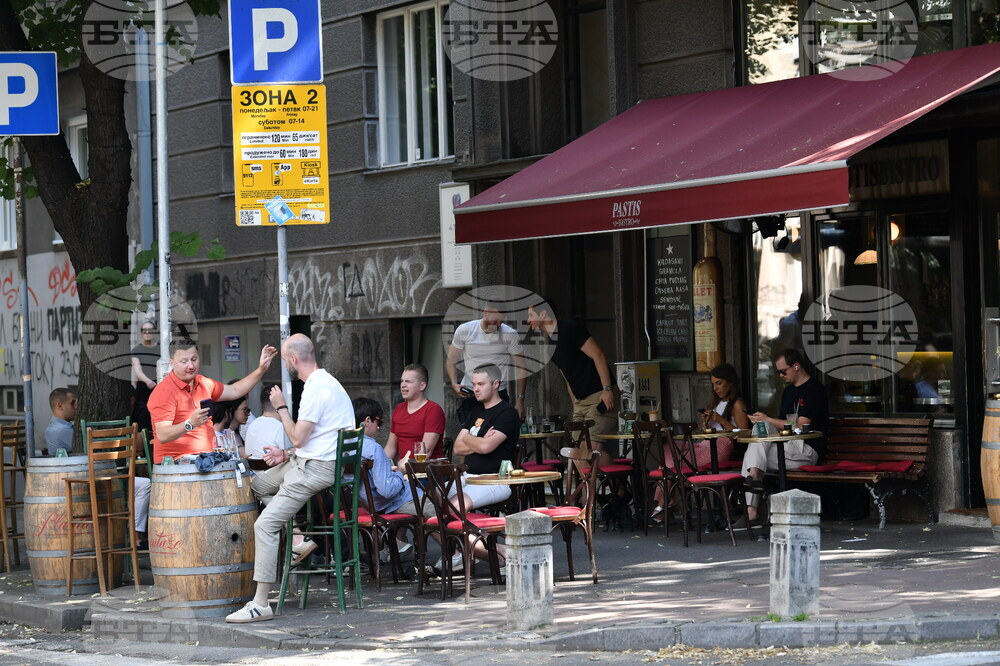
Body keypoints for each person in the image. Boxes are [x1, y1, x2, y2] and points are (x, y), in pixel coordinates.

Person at [226, 334, 354, 624]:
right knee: (258, 485)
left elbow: (297, 436)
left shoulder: (315, 389)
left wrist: (281, 407)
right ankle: (298, 538)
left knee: (265, 524)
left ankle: (260, 604)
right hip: (306, 461)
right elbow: (315, 439)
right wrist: (285, 454)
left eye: (285, 360)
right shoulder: (329, 383)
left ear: (294, 360)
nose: (285, 365)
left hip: (314, 469)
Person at [44, 388, 151, 540]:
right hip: (91, 481)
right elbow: (94, 452)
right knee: (144, 484)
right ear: (60, 406)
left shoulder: (58, 428)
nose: (76, 406)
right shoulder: (62, 430)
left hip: (87, 478)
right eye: (72, 403)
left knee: (139, 479)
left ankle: (133, 533)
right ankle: (136, 535)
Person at [147, 339, 277, 463]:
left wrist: (261, 369)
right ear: (171, 362)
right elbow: (163, 435)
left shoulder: (203, 383)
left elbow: (235, 390)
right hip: (177, 466)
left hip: (207, 460)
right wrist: (190, 423)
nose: (191, 365)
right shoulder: (164, 391)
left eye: (194, 359)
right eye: (184, 361)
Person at [650, 364, 750, 522]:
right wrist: (706, 424)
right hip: (705, 443)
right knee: (668, 448)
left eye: (719, 383)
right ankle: (665, 504)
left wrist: (722, 421)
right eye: (713, 384)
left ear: (730, 383)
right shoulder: (717, 403)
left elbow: (744, 433)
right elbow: (709, 431)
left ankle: (663, 504)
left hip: (721, 446)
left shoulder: (737, 404)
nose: (715, 388)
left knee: (673, 462)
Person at [743, 349, 829, 525]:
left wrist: (768, 419)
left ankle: (751, 509)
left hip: (806, 449)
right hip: (786, 447)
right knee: (760, 430)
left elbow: (801, 426)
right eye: (778, 372)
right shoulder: (788, 392)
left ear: (796, 366)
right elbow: (781, 425)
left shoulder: (814, 390)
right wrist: (763, 421)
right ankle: (754, 479)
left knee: (753, 456)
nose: (781, 376)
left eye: (783, 371)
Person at [526, 300, 617, 457]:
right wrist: (575, 403)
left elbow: (598, 355)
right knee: (576, 452)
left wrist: (607, 389)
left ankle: (612, 474)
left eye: (530, 315)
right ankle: (602, 474)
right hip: (581, 402)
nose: (528, 321)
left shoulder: (570, 328)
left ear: (543, 313)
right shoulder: (550, 347)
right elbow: (566, 376)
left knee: (588, 451)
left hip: (598, 395)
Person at [353, 396, 415, 562]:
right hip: (386, 504)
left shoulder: (346, 444)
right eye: (378, 422)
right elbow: (387, 490)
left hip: (366, 503)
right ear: (368, 421)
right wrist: (400, 472)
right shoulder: (373, 448)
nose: (379, 427)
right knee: (437, 507)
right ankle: (456, 555)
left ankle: (395, 546)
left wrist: (388, 472)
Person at [447, 301, 527, 424]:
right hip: (471, 393)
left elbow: (521, 366)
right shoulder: (465, 330)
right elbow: (451, 360)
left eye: (501, 321)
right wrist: (453, 383)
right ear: (485, 313)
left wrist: (520, 399)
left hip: (497, 394)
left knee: (497, 433)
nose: (498, 324)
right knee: (469, 433)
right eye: (495, 321)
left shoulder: (509, 334)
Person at [384, 363, 446, 461]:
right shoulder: (399, 409)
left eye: (408, 381)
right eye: (402, 381)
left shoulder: (433, 410)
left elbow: (425, 452)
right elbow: (390, 448)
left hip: (426, 468)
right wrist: (379, 465)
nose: (403, 385)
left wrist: (405, 466)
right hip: (403, 468)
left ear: (422, 386)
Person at [243, 384, 291, 460]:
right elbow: (291, 455)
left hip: (252, 467)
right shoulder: (280, 427)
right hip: (275, 467)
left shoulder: (252, 424)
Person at [130, 321, 159, 432]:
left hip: (160, 388)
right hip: (144, 389)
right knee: (142, 417)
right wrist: (148, 382)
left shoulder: (162, 349)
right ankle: (143, 441)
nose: (147, 332)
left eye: (150, 330)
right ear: (141, 333)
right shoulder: (137, 350)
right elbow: (137, 369)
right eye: (144, 330)